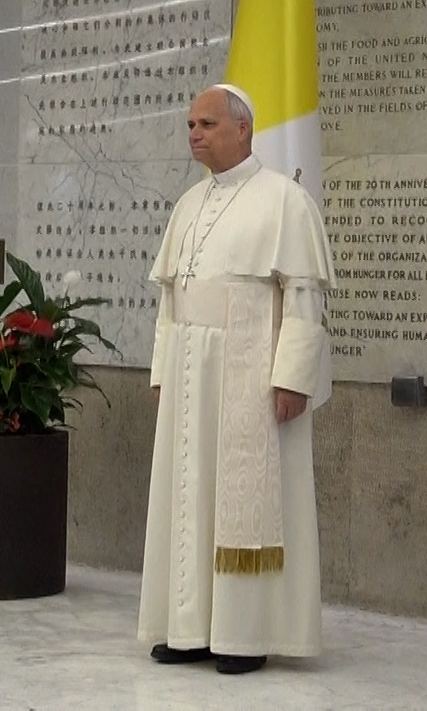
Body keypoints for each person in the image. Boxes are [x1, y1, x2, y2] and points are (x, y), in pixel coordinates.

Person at [138, 84, 334, 675]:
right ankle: (189, 626)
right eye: (190, 124)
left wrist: (294, 376)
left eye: (206, 123)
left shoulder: (284, 200)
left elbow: (303, 297)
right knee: (188, 494)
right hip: (191, 373)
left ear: (243, 128)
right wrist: (162, 370)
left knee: (244, 500)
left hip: (252, 371)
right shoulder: (187, 205)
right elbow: (170, 300)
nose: (194, 133)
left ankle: (243, 635)